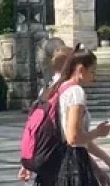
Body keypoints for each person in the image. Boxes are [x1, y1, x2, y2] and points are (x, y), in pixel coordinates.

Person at [44, 45, 110, 186]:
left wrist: (99, 167)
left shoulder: (60, 88)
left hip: (59, 159)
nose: (94, 77)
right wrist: (98, 132)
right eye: (92, 71)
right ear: (80, 70)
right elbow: (73, 138)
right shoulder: (76, 92)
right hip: (73, 164)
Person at [20, 46, 77, 182]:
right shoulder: (71, 91)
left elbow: (37, 126)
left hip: (45, 158)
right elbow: (73, 136)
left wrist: (30, 159)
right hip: (62, 161)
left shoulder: (46, 89)